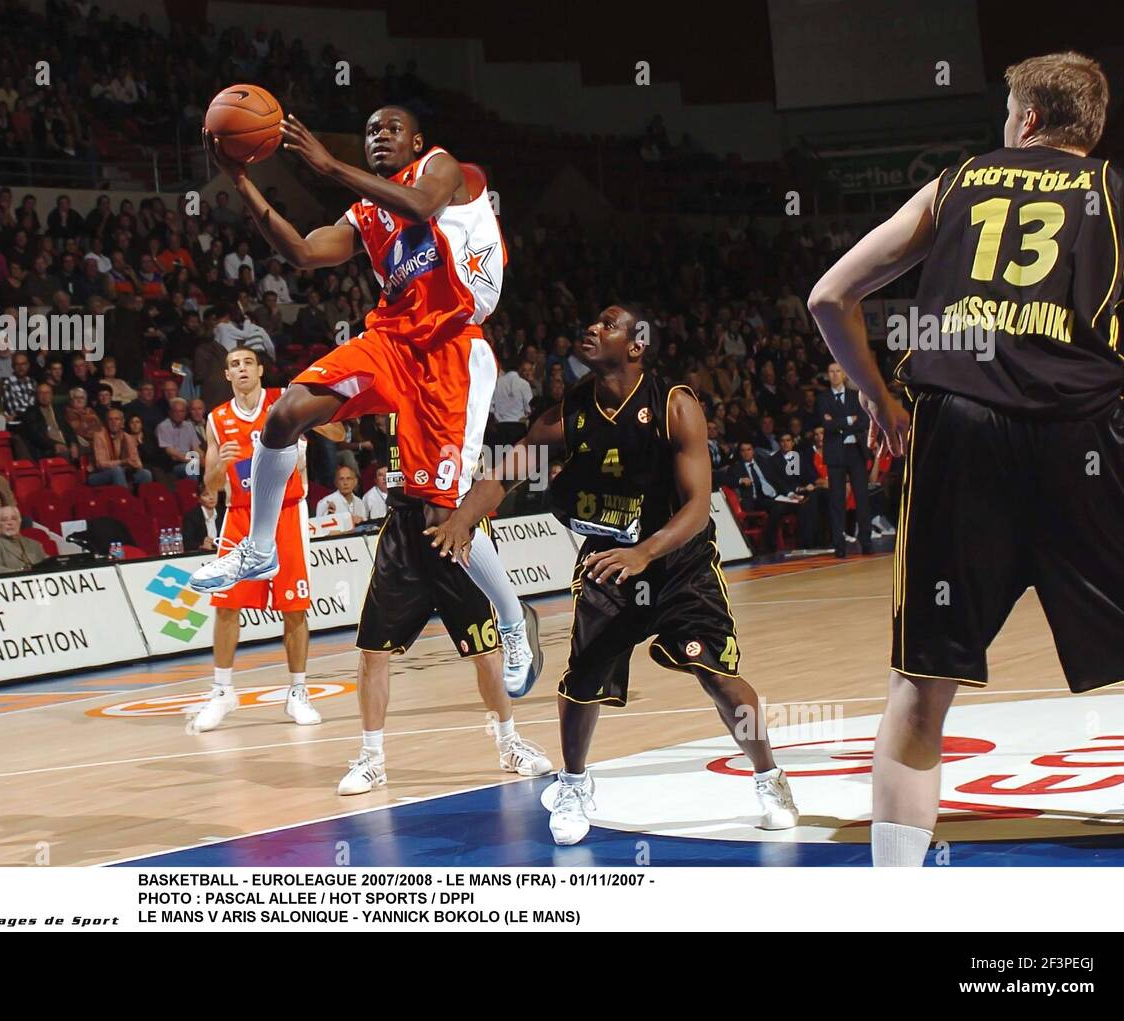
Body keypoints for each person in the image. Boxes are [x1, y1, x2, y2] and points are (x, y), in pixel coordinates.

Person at [807, 52, 1124, 867]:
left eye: (1005, 112)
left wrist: (882, 401)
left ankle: (897, 908)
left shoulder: (955, 184)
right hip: (1083, 435)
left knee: (920, 687)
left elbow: (829, 297)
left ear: (1026, 120)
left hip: (959, 431)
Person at [189, 105, 540, 696]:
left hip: (452, 348)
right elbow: (302, 251)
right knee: (284, 416)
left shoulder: (445, 169)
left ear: (417, 139)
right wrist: (241, 180)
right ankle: (256, 551)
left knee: (441, 520)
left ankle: (513, 620)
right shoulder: (365, 211)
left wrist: (328, 165)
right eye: (370, 130)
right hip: (390, 339)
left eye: (390, 129)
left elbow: (422, 205)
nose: (379, 137)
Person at [430, 305, 799, 845]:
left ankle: (770, 778)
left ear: (635, 346)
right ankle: (575, 783)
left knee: (715, 673)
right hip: (610, 558)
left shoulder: (676, 406)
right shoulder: (569, 411)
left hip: (678, 561)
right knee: (582, 680)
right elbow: (509, 469)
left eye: (608, 324)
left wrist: (647, 552)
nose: (592, 328)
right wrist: (463, 518)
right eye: (592, 322)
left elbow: (699, 506)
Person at [338, 409, 551, 795]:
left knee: (486, 652)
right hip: (403, 532)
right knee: (373, 651)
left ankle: (509, 744)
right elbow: (336, 424)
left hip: (456, 520)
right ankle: (372, 759)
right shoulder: (384, 387)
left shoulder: (452, 385)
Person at [188, 348, 323, 733]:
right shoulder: (217, 419)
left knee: (294, 606)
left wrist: (313, 416)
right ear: (227, 375)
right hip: (241, 515)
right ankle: (222, 692)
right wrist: (221, 464)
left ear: (260, 370)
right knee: (226, 605)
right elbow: (209, 486)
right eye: (234, 365)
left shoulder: (285, 400)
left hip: (286, 511)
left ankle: (297, 692)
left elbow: (335, 430)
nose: (241, 369)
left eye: (248, 363)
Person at [816, 363, 872, 556]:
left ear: (844, 374)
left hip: (855, 451)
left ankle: (866, 540)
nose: (834, 374)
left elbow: (864, 421)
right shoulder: (823, 398)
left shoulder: (854, 395)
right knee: (836, 501)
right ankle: (839, 545)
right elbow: (826, 425)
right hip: (835, 454)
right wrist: (850, 420)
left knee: (862, 498)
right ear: (827, 375)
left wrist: (838, 423)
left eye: (838, 371)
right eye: (831, 371)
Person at [89, 407, 152, 489]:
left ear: (122, 423)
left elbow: (137, 462)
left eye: (117, 419)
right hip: (98, 475)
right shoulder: (99, 436)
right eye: (110, 419)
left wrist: (136, 465)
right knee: (117, 470)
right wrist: (123, 462)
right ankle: (125, 499)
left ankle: (142, 501)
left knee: (146, 474)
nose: (113, 422)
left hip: (123, 472)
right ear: (106, 422)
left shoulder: (128, 438)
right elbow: (100, 464)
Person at [0, 505, 46, 574]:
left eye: (13, 519)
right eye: (5, 520)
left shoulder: (34, 544)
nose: (10, 523)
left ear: (19, 521)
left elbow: (49, 563)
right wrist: (19, 572)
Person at [314, 464, 367, 530]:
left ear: (355, 482)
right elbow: (318, 529)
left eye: (349, 478)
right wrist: (349, 522)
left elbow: (366, 527)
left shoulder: (360, 503)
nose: (345, 483)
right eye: (341, 479)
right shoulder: (326, 502)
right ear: (336, 483)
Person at [182, 482, 223, 551]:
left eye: (214, 493)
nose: (211, 497)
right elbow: (187, 543)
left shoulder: (223, 514)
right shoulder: (191, 517)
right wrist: (201, 546)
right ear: (199, 499)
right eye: (206, 495)